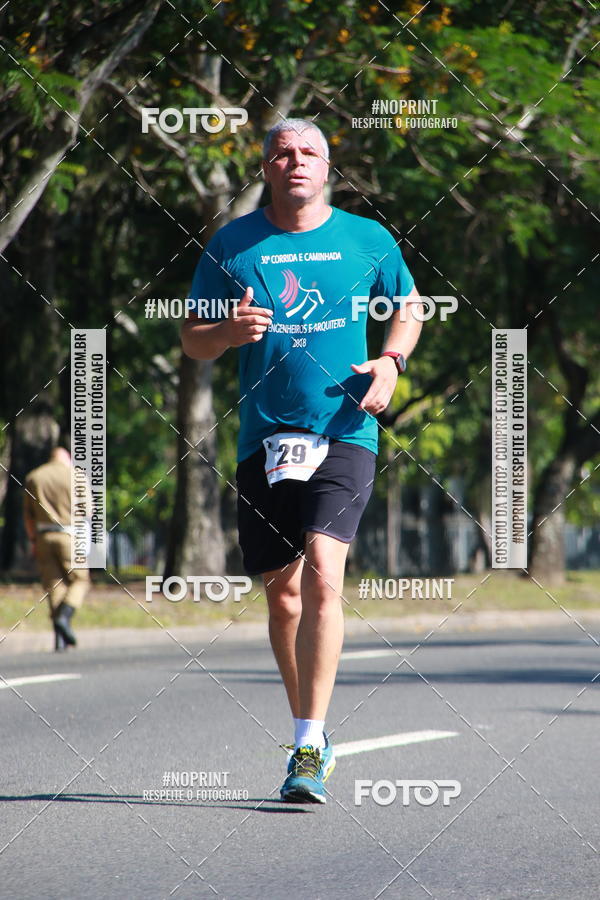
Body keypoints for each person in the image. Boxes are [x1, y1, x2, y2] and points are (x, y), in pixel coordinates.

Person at [182, 118, 423, 803]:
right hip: (265, 439)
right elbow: (193, 339)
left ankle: (309, 744)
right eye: (283, 153)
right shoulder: (232, 244)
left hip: (346, 430)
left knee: (322, 574)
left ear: (327, 167)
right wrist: (227, 331)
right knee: (282, 595)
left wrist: (391, 361)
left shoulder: (366, 239)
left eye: (309, 152)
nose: (296, 161)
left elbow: (410, 308)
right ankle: (307, 728)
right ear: (265, 167)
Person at [23, 446, 91, 651]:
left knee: (54, 585)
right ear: (66, 458)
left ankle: (60, 639)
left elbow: (28, 515)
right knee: (80, 580)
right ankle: (65, 616)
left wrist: (33, 539)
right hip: (69, 536)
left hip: (43, 536)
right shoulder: (76, 476)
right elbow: (88, 510)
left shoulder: (34, 477)